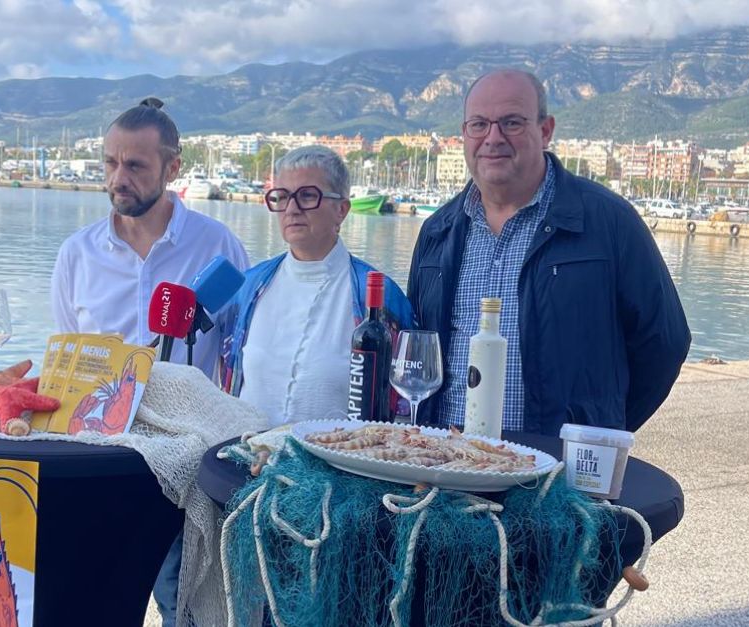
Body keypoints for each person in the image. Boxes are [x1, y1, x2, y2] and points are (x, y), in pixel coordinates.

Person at [49, 97, 249, 627]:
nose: (119, 177)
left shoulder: (219, 246)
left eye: (135, 165)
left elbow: (240, 355)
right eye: (111, 163)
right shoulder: (76, 253)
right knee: (91, 605)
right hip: (97, 461)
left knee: (187, 610)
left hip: (183, 465)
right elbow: (63, 360)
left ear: (172, 167)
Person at [407, 69, 690, 437]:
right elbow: (419, 348)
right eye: (479, 124)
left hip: (557, 470)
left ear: (545, 130)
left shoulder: (608, 222)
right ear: (464, 134)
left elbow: (665, 343)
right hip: (446, 463)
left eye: (511, 122)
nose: (493, 138)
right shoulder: (437, 231)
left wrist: (598, 428)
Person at [218, 145, 412, 425]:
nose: (292, 209)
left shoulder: (379, 297)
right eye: (282, 197)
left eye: (308, 196)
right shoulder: (250, 287)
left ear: (342, 210)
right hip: (247, 460)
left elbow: (402, 406)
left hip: (339, 464)